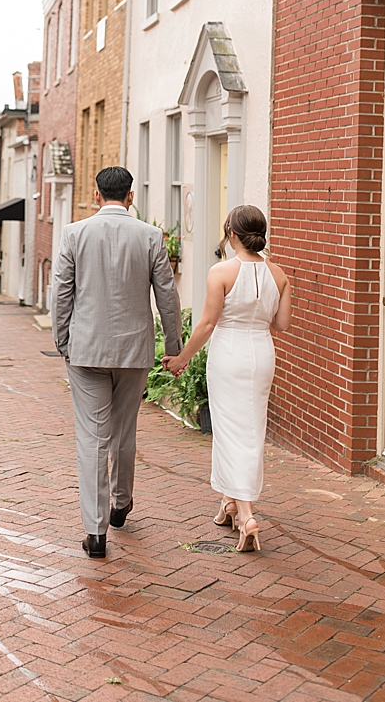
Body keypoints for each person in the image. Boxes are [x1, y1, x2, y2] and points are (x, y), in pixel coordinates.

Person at [53, 166, 180, 559]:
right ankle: (121, 503)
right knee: (125, 430)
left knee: (92, 438)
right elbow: (168, 296)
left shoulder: (75, 233)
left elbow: (61, 291)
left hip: (86, 350)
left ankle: (96, 532)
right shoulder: (150, 236)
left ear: (97, 195)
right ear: (130, 196)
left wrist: (62, 339)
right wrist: (173, 345)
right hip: (133, 350)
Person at [163, 205, 293, 552]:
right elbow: (281, 325)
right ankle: (229, 503)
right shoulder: (279, 274)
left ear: (232, 234)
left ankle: (247, 513)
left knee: (230, 430)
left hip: (228, 354)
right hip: (262, 353)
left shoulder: (220, 272)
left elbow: (206, 324)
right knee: (249, 429)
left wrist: (181, 359)